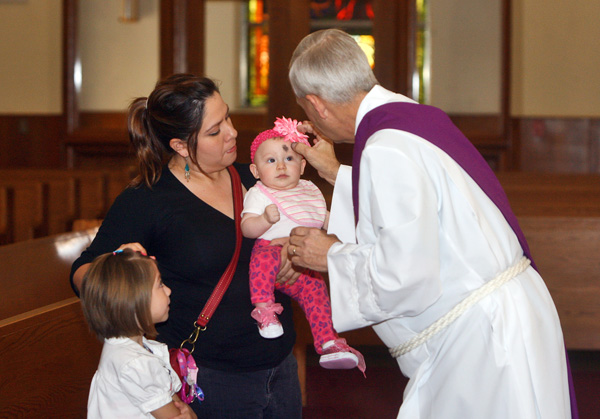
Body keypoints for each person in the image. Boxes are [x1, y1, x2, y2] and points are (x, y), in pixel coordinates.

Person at [286, 28, 577, 418]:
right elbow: (431, 205)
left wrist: (331, 256)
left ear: (316, 105)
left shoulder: (386, 147)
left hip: (482, 342)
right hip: (499, 318)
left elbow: (405, 275)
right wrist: (337, 172)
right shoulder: (413, 119)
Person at [70, 74, 302, 418]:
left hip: (279, 365)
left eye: (227, 117)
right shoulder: (148, 199)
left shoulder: (257, 177)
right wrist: (127, 269)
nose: (232, 132)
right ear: (179, 145)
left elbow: (303, 225)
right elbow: (84, 272)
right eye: (214, 130)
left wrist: (293, 254)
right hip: (209, 379)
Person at [241, 116, 365, 373]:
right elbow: (247, 228)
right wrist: (264, 219)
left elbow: (328, 220)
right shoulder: (259, 193)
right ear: (255, 171)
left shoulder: (309, 190)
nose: (281, 166)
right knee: (263, 259)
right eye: (271, 161)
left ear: (303, 164)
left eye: (289, 159)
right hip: (270, 253)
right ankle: (264, 310)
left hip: (304, 262)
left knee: (317, 293)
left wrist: (346, 228)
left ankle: (328, 341)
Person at [80, 248, 196, 419]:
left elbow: (170, 399)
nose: (169, 290)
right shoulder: (136, 363)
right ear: (134, 303)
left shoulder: (129, 350)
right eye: (160, 284)